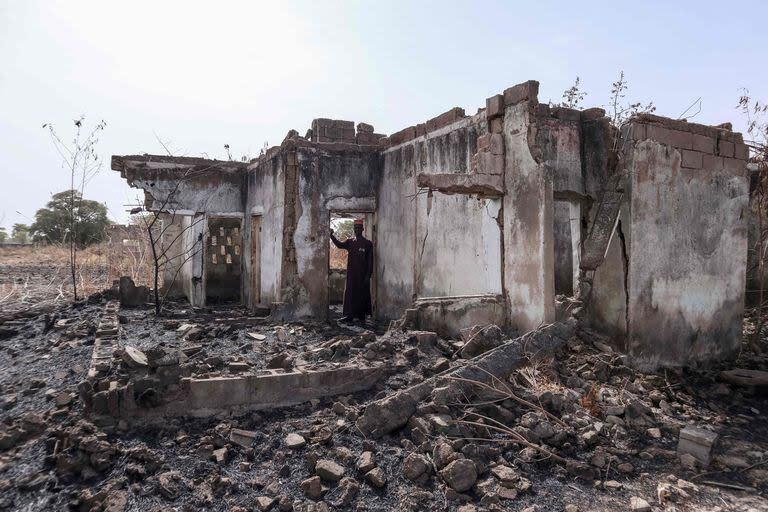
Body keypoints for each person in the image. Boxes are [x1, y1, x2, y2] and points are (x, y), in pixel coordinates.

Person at [330, 218, 373, 323]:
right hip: (351, 275)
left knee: (362, 295)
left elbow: (370, 261)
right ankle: (349, 316)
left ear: (362, 229)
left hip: (362, 276)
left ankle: (361, 317)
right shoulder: (350, 242)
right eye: (355, 228)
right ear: (354, 229)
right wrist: (331, 235)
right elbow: (339, 245)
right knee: (350, 294)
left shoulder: (367, 243)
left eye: (359, 227)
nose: (357, 229)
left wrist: (368, 276)